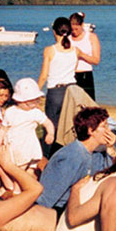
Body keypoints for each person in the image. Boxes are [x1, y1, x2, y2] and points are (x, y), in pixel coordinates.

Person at [36, 106, 116, 212]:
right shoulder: (71, 156)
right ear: (91, 131)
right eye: (104, 126)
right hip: (61, 210)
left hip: (78, 206)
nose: (109, 130)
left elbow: (108, 174)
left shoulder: (95, 154)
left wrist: (110, 148)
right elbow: (47, 198)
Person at [37, 16, 78, 157]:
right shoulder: (75, 50)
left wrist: (36, 93)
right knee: (69, 127)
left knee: (51, 127)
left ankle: (46, 157)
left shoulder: (50, 50)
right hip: (72, 90)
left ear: (54, 32)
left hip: (56, 91)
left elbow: (44, 75)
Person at [1, 78, 55, 172]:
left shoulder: (34, 112)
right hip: (13, 147)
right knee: (4, 170)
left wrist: (50, 133)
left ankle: (18, 185)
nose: (34, 105)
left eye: (36, 101)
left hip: (28, 148)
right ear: (19, 101)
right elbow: (3, 128)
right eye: (30, 102)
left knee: (20, 171)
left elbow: (47, 123)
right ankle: (16, 185)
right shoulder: (10, 112)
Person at [68, 12, 101, 100]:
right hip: (70, 75)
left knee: (88, 104)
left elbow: (96, 60)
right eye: (72, 29)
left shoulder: (91, 37)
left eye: (76, 29)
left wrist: (81, 54)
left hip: (85, 75)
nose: (74, 32)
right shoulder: (67, 38)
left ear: (82, 25)